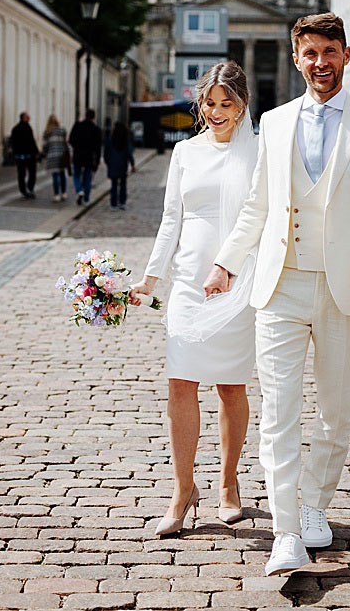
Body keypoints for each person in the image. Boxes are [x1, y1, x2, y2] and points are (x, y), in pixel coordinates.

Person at [203, 13, 350, 576]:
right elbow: (259, 204)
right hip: (282, 284)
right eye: (309, 54)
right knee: (278, 412)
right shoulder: (274, 123)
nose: (319, 62)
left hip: (346, 288)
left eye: (329, 51)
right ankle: (286, 530)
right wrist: (226, 261)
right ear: (296, 59)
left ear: (346, 55)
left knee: (335, 413)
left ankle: (315, 505)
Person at [128, 62, 258, 538]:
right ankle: (183, 490)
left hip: (238, 283)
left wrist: (236, 269)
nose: (218, 112)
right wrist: (150, 279)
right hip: (187, 284)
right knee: (180, 383)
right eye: (210, 103)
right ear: (199, 104)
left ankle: (228, 483)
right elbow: (171, 220)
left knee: (230, 386)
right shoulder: (184, 152)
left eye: (227, 103)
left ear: (243, 104)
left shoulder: (260, 152)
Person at [68, 109, 103, 205]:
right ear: (94, 117)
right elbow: (98, 147)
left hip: (78, 155)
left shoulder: (77, 126)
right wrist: (98, 159)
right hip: (89, 157)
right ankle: (86, 199)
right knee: (88, 177)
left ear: (85, 115)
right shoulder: (96, 129)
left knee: (76, 175)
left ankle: (79, 190)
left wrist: (77, 147)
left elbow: (71, 140)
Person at [104, 122, 137, 210]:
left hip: (112, 164)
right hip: (122, 165)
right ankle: (122, 202)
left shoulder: (110, 139)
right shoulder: (125, 140)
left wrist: (107, 162)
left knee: (114, 185)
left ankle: (113, 204)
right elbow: (129, 153)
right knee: (123, 184)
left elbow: (106, 153)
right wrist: (132, 164)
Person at [42, 115, 71, 202]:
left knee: (55, 175)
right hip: (61, 155)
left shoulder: (47, 132)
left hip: (52, 156)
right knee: (62, 175)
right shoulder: (62, 130)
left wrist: (45, 154)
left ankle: (56, 195)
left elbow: (45, 146)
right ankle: (64, 193)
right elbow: (66, 144)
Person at [10, 113, 39, 199]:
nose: (29, 118)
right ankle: (29, 188)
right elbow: (31, 141)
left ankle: (24, 190)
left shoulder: (15, 128)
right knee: (31, 173)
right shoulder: (27, 128)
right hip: (29, 155)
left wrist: (15, 153)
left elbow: (13, 142)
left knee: (21, 174)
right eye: (28, 117)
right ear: (24, 118)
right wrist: (36, 152)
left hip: (20, 156)